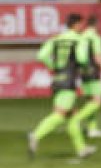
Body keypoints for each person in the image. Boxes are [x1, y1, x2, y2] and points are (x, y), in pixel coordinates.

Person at [26, 12, 95, 160]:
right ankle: (35, 134)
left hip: (57, 79)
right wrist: (85, 67)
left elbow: (41, 55)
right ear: (76, 25)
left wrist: (53, 67)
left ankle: (81, 148)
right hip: (69, 80)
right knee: (61, 114)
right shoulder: (79, 39)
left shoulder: (56, 39)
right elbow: (82, 58)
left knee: (73, 115)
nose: (82, 27)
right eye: (81, 24)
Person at [68, 15, 101, 142]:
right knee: (98, 101)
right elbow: (97, 56)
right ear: (96, 25)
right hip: (93, 71)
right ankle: (77, 119)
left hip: (83, 72)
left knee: (90, 100)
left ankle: (92, 129)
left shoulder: (82, 36)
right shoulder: (95, 37)